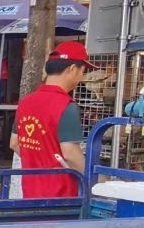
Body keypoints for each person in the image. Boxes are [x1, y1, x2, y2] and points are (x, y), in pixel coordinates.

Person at [10, 41, 95, 199]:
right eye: (83, 71)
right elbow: (70, 154)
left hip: (30, 192)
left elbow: (14, 143)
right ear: (72, 69)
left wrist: (39, 160)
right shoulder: (66, 106)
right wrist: (99, 181)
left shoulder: (26, 102)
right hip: (61, 196)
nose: (82, 77)